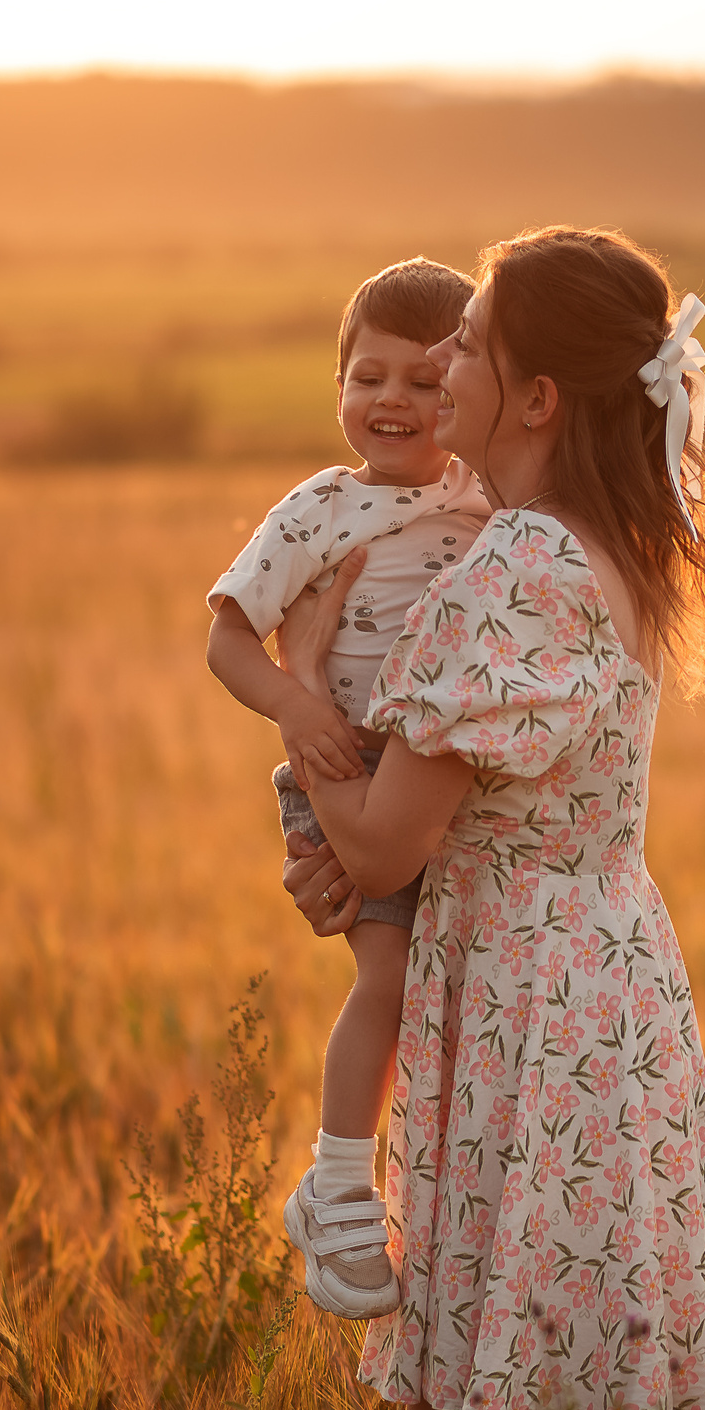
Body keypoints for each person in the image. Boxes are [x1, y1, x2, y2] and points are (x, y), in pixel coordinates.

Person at [275, 226, 705, 1410]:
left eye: (475, 343)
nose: (442, 358)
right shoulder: (607, 549)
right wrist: (363, 850)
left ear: (538, 397)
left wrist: (305, 683)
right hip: (591, 981)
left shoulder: (515, 571)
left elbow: (380, 850)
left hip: (509, 999)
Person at [205, 258, 491, 1320]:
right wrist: (294, 705)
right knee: (391, 975)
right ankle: (336, 1181)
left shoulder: (487, 494)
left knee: (449, 987)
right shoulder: (316, 510)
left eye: (425, 380)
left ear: (468, 387)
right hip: (345, 767)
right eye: (367, 376)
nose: (393, 403)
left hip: (440, 777)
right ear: (335, 386)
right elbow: (226, 639)